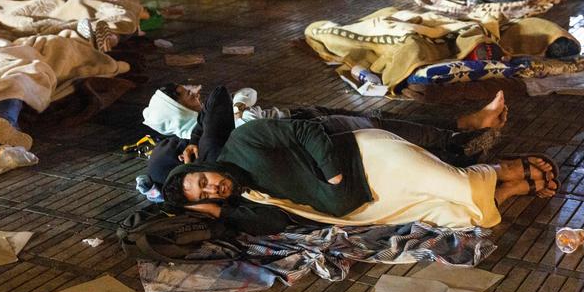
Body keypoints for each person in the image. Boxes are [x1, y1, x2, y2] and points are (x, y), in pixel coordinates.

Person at [161, 117, 559, 236]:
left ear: (203, 167)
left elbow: (304, 129)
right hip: (367, 204)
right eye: (205, 194)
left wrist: (332, 172)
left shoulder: (244, 140)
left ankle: (501, 169)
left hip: (370, 159)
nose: (213, 186)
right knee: (453, 216)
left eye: (204, 180)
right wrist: (217, 211)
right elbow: (273, 222)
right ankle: (513, 189)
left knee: (459, 185)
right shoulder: (246, 202)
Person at [145, 82, 510, 187]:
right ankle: (462, 144)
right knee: (385, 132)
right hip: (310, 134)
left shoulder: (197, 134)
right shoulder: (206, 146)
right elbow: (223, 99)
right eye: (183, 93)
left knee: (383, 120)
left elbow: (220, 97)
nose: (193, 90)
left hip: (305, 118)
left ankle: (467, 126)